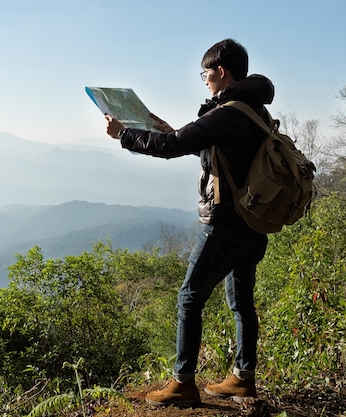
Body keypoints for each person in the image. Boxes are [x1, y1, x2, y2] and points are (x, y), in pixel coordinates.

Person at [104, 39, 272, 407]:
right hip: (253, 223)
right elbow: (221, 150)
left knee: (189, 297)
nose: (205, 81)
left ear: (221, 72)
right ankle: (243, 378)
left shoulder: (227, 112)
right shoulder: (252, 110)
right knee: (241, 299)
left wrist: (124, 135)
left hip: (226, 224)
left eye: (206, 74)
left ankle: (183, 384)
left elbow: (171, 147)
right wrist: (171, 129)